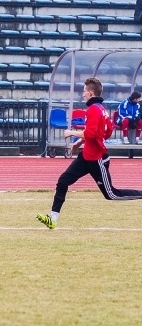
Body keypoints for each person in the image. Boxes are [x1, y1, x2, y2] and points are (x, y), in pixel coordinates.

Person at [37, 77, 142, 229]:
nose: (83, 94)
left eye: (85, 91)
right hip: (87, 155)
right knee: (63, 181)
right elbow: (105, 132)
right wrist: (79, 143)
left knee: (111, 194)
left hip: (96, 158)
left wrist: (71, 132)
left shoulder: (94, 109)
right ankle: (52, 218)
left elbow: (93, 134)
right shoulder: (100, 108)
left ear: (91, 93)